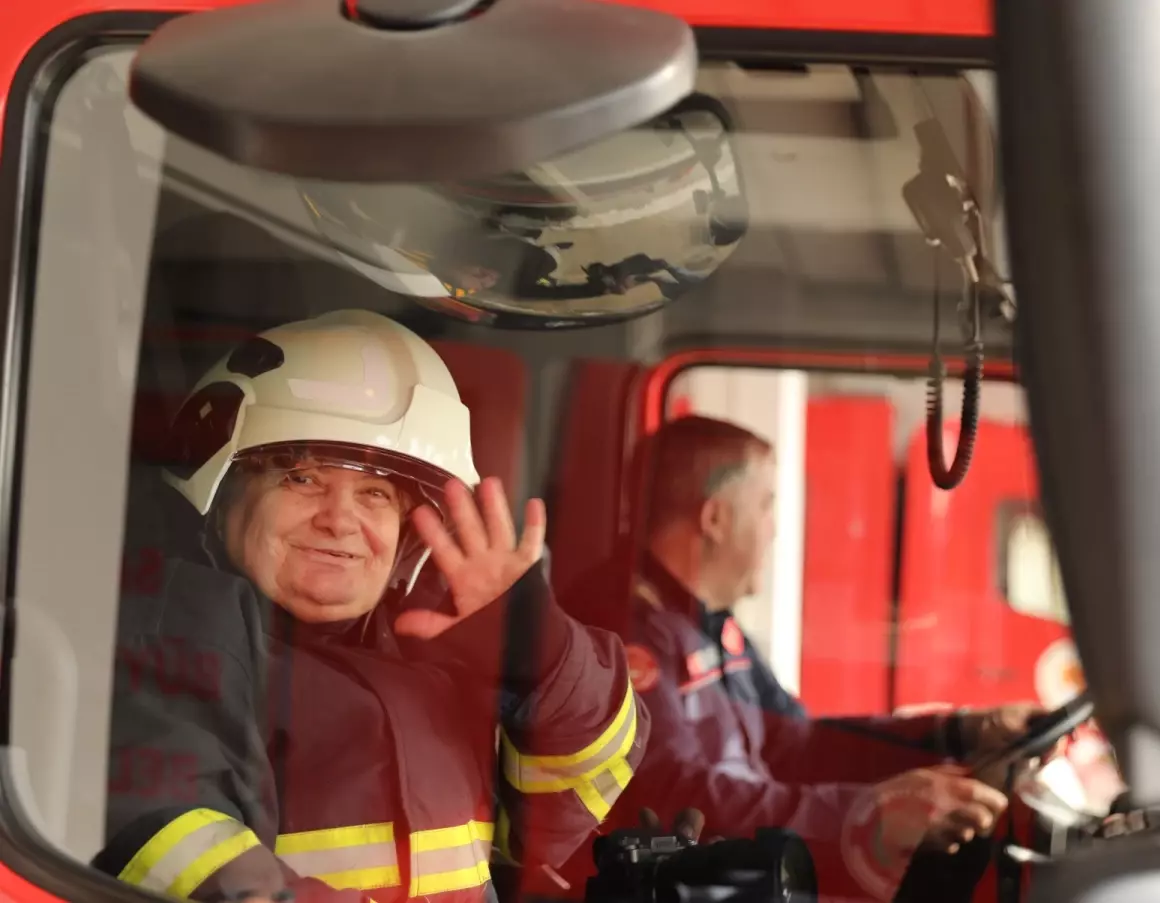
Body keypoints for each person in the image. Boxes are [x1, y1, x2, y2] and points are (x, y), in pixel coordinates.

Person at [96, 309, 648, 903]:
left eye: (375, 493)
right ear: (222, 492)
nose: (340, 520)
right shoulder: (166, 638)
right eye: (302, 479)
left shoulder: (438, 641)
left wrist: (539, 656)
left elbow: (560, 817)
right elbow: (201, 874)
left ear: (410, 531)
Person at [562, 415, 1040, 901]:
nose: (774, 531)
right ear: (715, 519)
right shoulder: (618, 628)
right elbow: (675, 793)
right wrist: (864, 814)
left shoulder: (707, 622)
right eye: (767, 506)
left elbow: (797, 741)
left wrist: (957, 733)